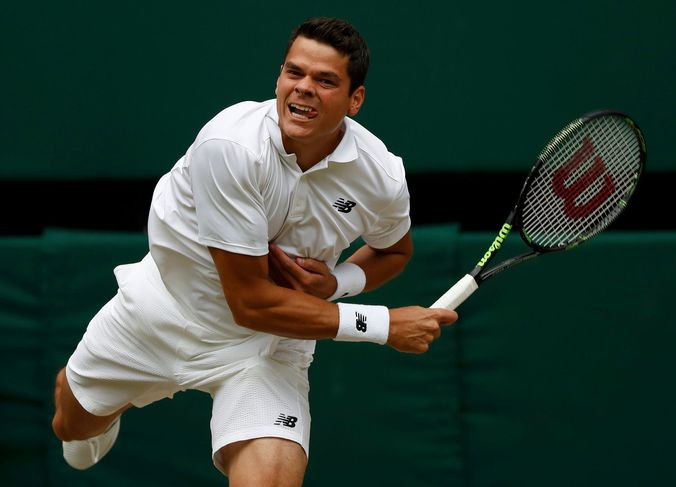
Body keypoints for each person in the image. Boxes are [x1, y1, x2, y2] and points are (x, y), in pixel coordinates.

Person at [51, 16, 458, 487]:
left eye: (325, 81)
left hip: (267, 347)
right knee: (70, 424)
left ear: (355, 100)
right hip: (159, 311)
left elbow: (394, 251)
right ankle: (104, 396)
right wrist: (383, 325)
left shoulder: (380, 177)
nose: (304, 88)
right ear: (280, 77)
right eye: (294, 73)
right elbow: (248, 301)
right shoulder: (231, 146)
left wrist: (338, 282)